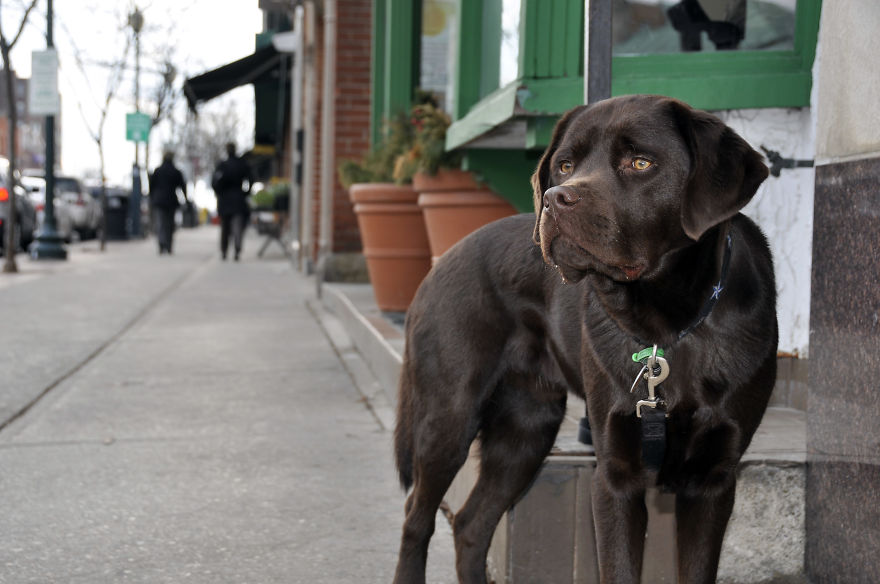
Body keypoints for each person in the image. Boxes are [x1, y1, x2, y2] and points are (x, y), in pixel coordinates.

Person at [211, 143, 254, 261]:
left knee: (225, 227)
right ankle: (237, 250)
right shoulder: (242, 164)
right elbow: (251, 179)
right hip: (238, 199)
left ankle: (224, 251)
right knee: (237, 227)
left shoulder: (222, 165)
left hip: (225, 200)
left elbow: (214, 181)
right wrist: (246, 192)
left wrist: (219, 192)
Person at [148, 151, 187, 255]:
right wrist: (186, 199)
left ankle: (161, 244)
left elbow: (151, 186)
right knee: (170, 224)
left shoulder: (158, 170)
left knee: (160, 223)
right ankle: (169, 245)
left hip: (159, 200)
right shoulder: (176, 171)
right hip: (171, 200)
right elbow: (182, 186)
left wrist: (152, 198)